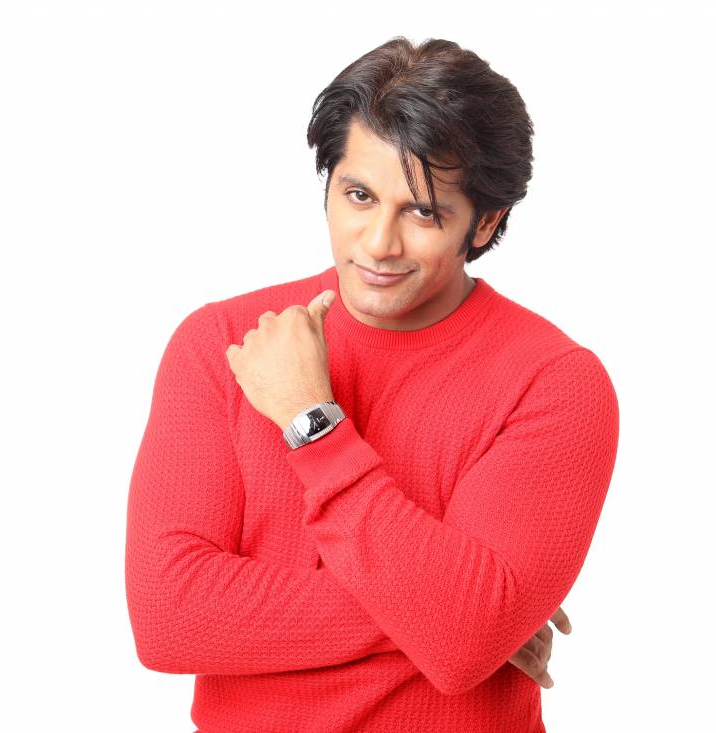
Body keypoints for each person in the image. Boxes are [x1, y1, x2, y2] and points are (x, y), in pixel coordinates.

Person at [125, 35, 619, 733]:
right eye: (359, 195)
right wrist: (464, 614)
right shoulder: (225, 343)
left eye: (423, 212)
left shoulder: (555, 382)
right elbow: (168, 618)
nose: (379, 243)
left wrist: (310, 419)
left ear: (486, 222)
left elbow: (464, 637)